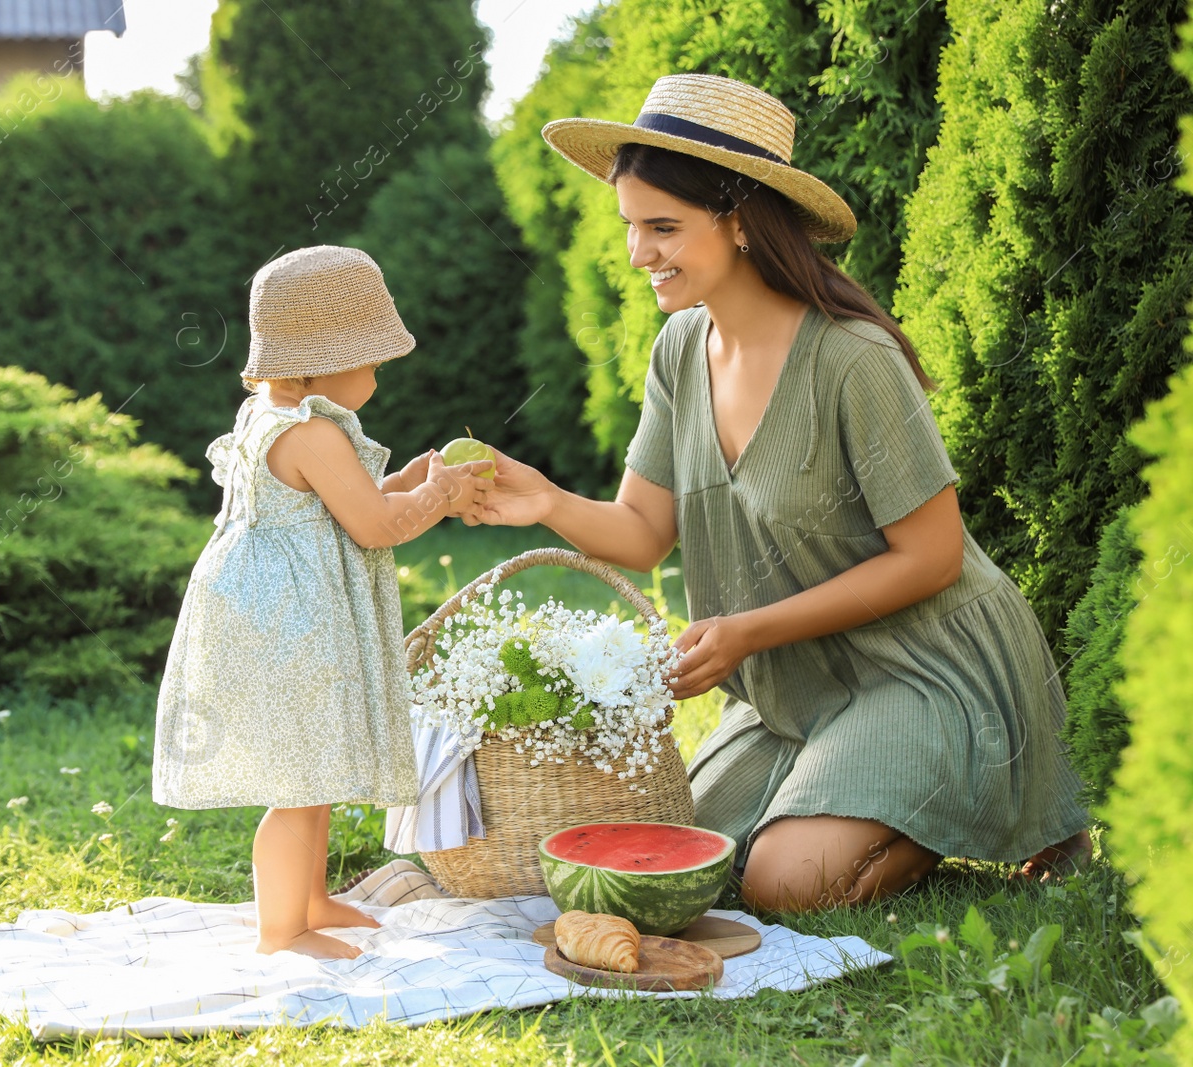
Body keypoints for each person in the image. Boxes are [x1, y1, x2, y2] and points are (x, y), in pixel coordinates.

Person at [470, 73, 1092, 912]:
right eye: (630, 226)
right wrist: (542, 498)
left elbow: (934, 557)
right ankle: (851, 790)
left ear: (739, 220)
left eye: (663, 227)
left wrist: (747, 631)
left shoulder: (852, 359)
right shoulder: (680, 350)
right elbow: (643, 530)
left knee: (782, 882)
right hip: (794, 686)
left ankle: (992, 788)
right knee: (673, 848)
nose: (637, 254)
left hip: (925, 668)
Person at [152, 245, 495, 958]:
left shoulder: (270, 412)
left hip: (273, 612)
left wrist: (411, 478)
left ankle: (310, 899)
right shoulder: (312, 431)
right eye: (370, 361)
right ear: (321, 361)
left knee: (313, 768)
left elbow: (350, 503)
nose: (376, 374)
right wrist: (442, 495)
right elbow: (375, 524)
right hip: (292, 624)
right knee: (298, 784)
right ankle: (282, 928)